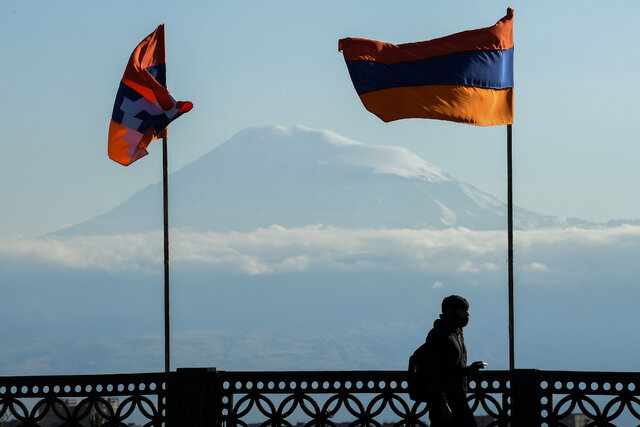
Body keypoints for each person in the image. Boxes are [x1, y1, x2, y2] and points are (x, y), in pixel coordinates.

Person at [423, 295, 485, 426]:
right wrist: (443, 404)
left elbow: (451, 369)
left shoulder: (457, 334)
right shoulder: (438, 335)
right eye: (462, 311)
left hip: (459, 400)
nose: (467, 314)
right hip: (445, 404)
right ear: (451, 312)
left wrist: (468, 370)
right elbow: (432, 372)